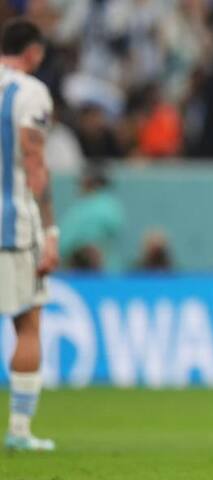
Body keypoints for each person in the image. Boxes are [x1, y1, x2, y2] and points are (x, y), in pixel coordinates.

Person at [0, 19, 59, 452]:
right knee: (27, 322)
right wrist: (51, 231)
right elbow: (34, 162)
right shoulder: (29, 91)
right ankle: (19, 431)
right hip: (12, 225)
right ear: (33, 51)